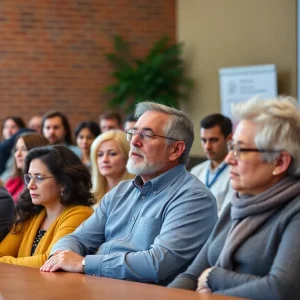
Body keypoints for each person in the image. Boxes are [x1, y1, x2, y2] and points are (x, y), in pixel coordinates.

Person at [41, 102, 217, 285]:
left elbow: (157, 264)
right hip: (96, 287)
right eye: (134, 132)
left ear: (175, 150)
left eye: (147, 135)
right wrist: (61, 256)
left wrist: (84, 263)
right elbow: (76, 238)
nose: (134, 141)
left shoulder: (194, 198)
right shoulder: (121, 191)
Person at [169, 97, 300, 299]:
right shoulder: (237, 204)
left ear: (280, 162)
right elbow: (192, 274)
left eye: (240, 149)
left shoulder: (295, 211)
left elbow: (280, 289)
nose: (229, 159)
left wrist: (214, 276)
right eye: (232, 148)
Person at [0, 145, 94, 268]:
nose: (30, 186)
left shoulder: (81, 214)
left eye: (39, 178)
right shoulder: (32, 213)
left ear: (63, 183)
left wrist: (7, 261)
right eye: (29, 177)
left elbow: (51, 261)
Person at [191, 113, 233, 215]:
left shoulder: (235, 173)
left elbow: (225, 218)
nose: (207, 146)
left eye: (213, 140)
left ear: (229, 139)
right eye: (204, 140)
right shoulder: (196, 171)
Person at [90, 130, 134, 208]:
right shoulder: (90, 196)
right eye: (100, 154)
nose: (104, 160)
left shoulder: (135, 195)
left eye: (112, 154)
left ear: (127, 157)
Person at [5, 132, 49, 203]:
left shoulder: (37, 186)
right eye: (16, 149)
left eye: (24, 149)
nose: (18, 154)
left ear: (37, 152)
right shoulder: (12, 180)